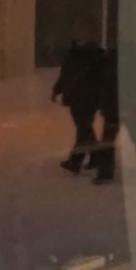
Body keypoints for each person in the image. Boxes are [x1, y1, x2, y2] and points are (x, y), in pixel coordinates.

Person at [51, 27, 106, 176]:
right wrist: (57, 89)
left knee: (83, 129)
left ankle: (75, 162)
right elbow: (66, 74)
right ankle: (96, 157)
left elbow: (66, 75)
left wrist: (57, 89)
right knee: (85, 129)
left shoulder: (89, 56)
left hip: (84, 98)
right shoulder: (78, 55)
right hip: (81, 97)